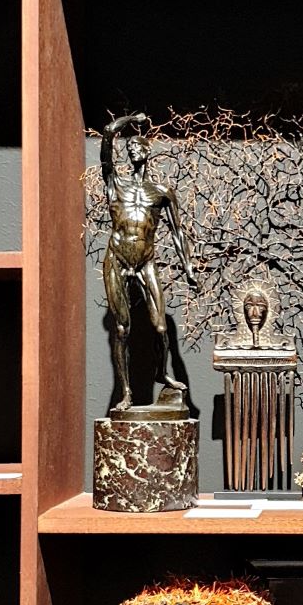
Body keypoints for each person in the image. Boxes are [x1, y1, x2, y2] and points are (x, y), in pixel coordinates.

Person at [100, 114, 198, 412]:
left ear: (147, 151)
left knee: (160, 327)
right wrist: (131, 119)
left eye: (137, 147)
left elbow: (177, 231)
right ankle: (127, 392)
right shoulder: (115, 184)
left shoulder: (162, 192)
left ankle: (162, 373)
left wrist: (188, 266)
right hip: (117, 257)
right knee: (121, 330)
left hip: (146, 260)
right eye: (129, 148)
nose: (132, 151)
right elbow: (108, 132)